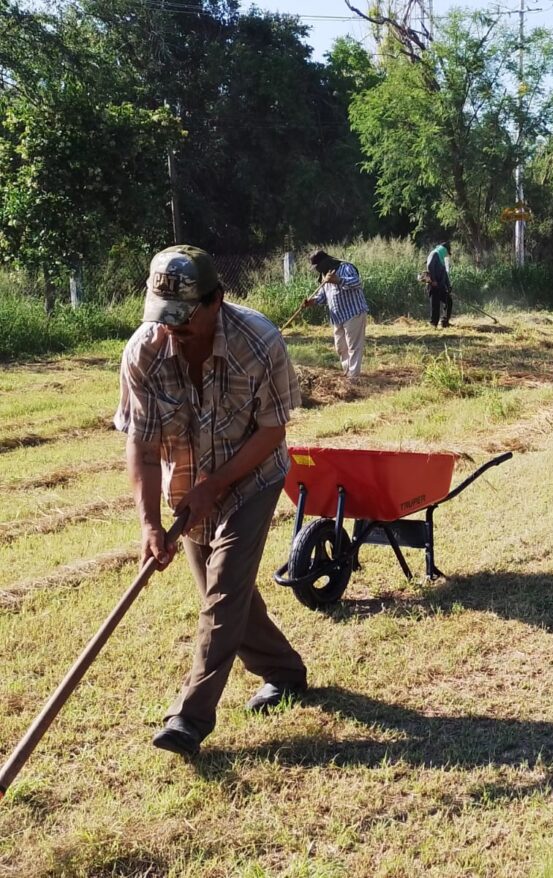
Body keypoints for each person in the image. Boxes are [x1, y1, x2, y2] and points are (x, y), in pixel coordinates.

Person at [115, 245, 308, 758]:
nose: (170, 329)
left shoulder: (258, 342)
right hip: (188, 484)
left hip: (252, 477)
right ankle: (284, 671)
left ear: (216, 299)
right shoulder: (144, 353)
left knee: (224, 589)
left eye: (183, 317)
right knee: (223, 597)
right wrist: (150, 525)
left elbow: (272, 430)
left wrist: (219, 482)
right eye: (163, 317)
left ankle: (190, 718)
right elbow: (141, 441)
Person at [303, 249, 368, 380]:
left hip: (353, 313)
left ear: (325, 262)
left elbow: (357, 283)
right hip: (338, 317)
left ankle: (353, 377)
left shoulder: (345, 267)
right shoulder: (324, 276)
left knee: (353, 347)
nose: (317, 270)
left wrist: (338, 280)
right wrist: (312, 302)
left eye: (317, 266)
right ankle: (347, 371)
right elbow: (323, 297)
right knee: (340, 347)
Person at [425, 240, 454, 328]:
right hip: (433, 285)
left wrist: (448, 286)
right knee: (435, 305)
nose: (447, 255)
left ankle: (444, 322)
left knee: (449, 301)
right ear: (444, 250)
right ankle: (433, 324)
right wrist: (433, 280)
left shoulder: (442, 258)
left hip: (441, 286)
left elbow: (445, 273)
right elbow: (430, 266)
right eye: (447, 252)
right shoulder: (434, 254)